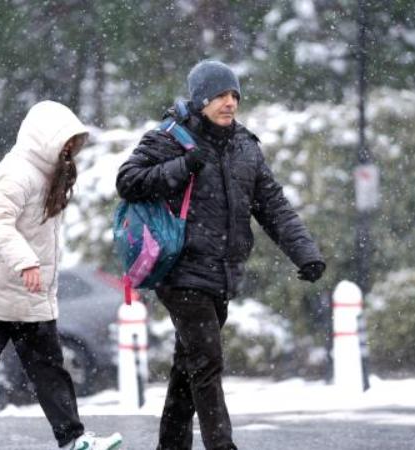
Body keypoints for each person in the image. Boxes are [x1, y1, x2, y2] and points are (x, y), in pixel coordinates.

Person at [116, 60, 326, 450]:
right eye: (220, 96)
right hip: (179, 271)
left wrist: (306, 254)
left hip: (222, 274)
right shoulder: (170, 138)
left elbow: (273, 206)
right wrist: (181, 166)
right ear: (200, 99)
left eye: (234, 96)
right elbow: (127, 181)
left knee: (189, 367)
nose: (229, 103)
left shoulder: (245, 146)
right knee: (208, 361)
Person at [0, 101, 123, 450]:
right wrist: (26, 262)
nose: (71, 149)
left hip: (31, 294)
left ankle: (73, 440)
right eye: (65, 141)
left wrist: (37, 272)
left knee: (50, 370)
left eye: (74, 142)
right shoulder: (15, 172)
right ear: (45, 138)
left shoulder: (50, 175)